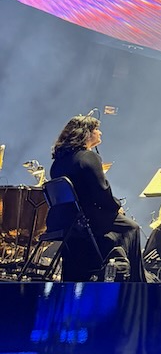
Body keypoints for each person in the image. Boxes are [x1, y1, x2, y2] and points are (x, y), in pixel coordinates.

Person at [47, 115, 142, 282]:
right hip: (87, 219)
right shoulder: (88, 157)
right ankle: (132, 280)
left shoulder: (58, 163)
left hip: (64, 222)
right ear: (86, 133)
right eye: (96, 129)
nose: (100, 133)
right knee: (132, 227)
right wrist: (117, 206)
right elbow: (102, 192)